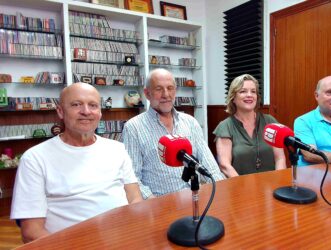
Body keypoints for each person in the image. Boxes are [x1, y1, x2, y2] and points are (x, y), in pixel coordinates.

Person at [11, 83, 142, 243]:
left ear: (100, 113)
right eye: (76, 104)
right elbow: (32, 232)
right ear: (60, 111)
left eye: (93, 105)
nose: (86, 111)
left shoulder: (117, 149)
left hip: (122, 241)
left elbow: (135, 199)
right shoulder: (34, 159)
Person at [122, 68, 225, 199]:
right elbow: (132, 178)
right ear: (147, 94)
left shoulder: (190, 122)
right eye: (159, 89)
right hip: (160, 205)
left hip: (196, 199)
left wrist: (220, 191)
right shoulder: (133, 128)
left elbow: (210, 166)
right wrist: (153, 203)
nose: (166, 94)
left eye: (170, 88)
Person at [213, 74, 286, 177]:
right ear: (233, 98)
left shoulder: (270, 121)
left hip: (271, 186)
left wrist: (278, 182)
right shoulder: (225, 127)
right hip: (240, 187)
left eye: (253, 91)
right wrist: (243, 187)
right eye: (243, 91)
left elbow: (280, 158)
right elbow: (225, 166)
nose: (249, 95)